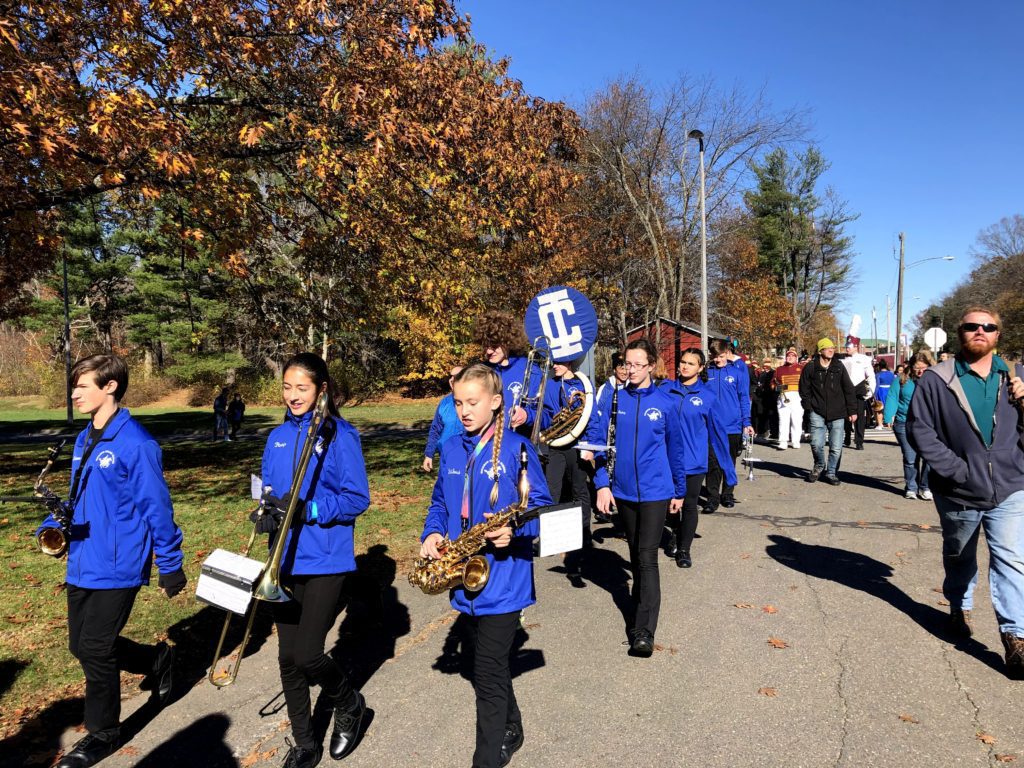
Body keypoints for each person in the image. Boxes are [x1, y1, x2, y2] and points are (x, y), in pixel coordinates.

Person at [36, 354, 185, 768]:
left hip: (119, 564)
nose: (74, 393)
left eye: (82, 386)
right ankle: (157, 659)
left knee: (97, 649)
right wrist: (54, 524)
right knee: (80, 646)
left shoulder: (137, 443)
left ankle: (103, 733)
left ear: (110, 387)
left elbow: (158, 508)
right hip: (83, 558)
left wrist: (169, 562)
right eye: (74, 386)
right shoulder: (85, 439)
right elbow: (78, 497)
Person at [420, 364, 552, 768]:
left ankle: (486, 759)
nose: (463, 411)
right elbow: (441, 503)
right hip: (467, 577)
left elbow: (542, 508)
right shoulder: (453, 446)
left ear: (496, 403)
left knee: (486, 672)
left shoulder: (518, 449)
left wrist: (515, 531)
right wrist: (432, 533)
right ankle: (512, 726)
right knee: (488, 665)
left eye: (472, 402)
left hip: (506, 579)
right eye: (458, 402)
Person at [258, 353, 371, 767]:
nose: (292, 396)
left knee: (308, 654)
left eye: (301, 388)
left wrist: (312, 509)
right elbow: (267, 489)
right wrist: (265, 511)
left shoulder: (341, 435)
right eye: (287, 388)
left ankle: (350, 703)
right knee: (287, 659)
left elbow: (357, 497)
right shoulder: (276, 438)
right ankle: (305, 743)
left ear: (322, 389)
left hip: (325, 557)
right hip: (284, 560)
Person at [908, 307, 1024, 679]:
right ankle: (959, 604)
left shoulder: (1017, 378)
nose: (980, 331)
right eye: (972, 326)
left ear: (997, 336)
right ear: (960, 333)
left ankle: (1015, 638)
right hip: (958, 489)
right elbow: (920, 430)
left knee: (1011, 560)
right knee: (960, 555)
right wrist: (957, 471)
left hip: (1010, 486)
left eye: (988, 327)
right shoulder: (936, 379)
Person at [588, 338, 686, 656]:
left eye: (637, 364)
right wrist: (602, 484)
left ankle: (643, 631)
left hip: (657, 491)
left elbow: (676, 449)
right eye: (626, 364)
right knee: (634, 555)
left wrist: (679, 490)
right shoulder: (614, 401)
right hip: (624, 491)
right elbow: (597, 442)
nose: (630, 370)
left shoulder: (667, 402)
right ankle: (640, 606)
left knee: (646, 558)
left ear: (652, 366)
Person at [670, 348, 736, 568]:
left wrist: (728, 469)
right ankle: (673, 534)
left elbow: (718, 434)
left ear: (700, 368)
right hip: (666, 460)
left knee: (689, 505)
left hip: (693, 462)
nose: (685, 366)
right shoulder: (665, 391)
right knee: (664, 505)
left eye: (691, 363)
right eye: (682, 362)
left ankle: (684, 550)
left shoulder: (707, 397)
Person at [540, 359, 594, 584]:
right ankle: (555, 538)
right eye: (554, 362)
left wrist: (590, 444)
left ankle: (583, 538)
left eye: (559, 362)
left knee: (578, 491)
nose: (555, 365)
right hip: (554, 443)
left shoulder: (584, 384)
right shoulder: (549, 384)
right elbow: (543, 414)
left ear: (570, 362)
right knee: (552, 491)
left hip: (577, 444)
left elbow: (592, 416)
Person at [798, 338, 857, 485]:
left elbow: (848, 389)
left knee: (836, 447)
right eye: (827, 348)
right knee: (816, 444)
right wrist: (809, 407)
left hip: (838, 412)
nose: (831, 350)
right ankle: (819, 465)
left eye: (832, 347)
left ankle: (831, 472)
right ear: (820, 351)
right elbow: (804, 389)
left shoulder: (839, 366)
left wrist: (852, 410)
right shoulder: (811, 367)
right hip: (817, 411)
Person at [703, 339, 752, 512]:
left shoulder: (737, 372)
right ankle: (712, 497)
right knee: (712, 462)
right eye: (715, 356)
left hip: (732, 425)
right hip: (711, 425)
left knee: (729, 461)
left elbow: (744, 398)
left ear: (728, 353)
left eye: (721, 356)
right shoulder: (706, 372)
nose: (718, 360)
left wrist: (747, 421)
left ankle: (727, 494)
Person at [475, 310, 539, 433]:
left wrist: (527, 416)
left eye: (494, 346)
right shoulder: (479, 371)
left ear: (508, 342)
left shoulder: (530, 370)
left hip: (517, 443)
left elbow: (546, 414)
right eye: (485, 346)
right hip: (483, 444)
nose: (488, 351)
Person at [883, 351, 934, 500]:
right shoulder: (902, 379)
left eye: (924, 368)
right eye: (917, 367)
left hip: (927, 424)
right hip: (904, 422)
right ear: (911, 367)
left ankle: (925, 486)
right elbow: (892, 397)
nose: (920, 371)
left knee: (929, 457)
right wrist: (888, 416)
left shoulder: (935, 380)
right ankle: (911, 487)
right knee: (910, 457)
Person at [422, 365, 465, 472]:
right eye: (450, 377)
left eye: (456, 376)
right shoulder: (444, 403)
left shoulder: (473, 402)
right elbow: (435, 430)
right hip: (445, 456)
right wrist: (429, 454)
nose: (451, 380)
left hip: (467, 457)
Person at [841, 338, 875, 450]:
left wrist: (870, 390)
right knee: (845, 414)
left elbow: (870, 375)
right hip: (845, 389)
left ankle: (859, 441)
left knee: (860, 416)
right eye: (846, 345)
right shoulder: (842, 359)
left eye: (849, 346)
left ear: (856, 347)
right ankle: (847, 434)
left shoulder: (864, 359)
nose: (847, 348)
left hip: (859, 389)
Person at [772, 347, 804, 450]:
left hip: (797, 396)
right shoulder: (779, 369)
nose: (790, 357)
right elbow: (772, 383)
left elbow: (806, 383)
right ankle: (783, 441)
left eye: (792, 356)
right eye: (788, 356)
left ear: (796, 357)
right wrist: (776, 387)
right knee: (783, 420)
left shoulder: (802, 368)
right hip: (783, 396)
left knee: (797, 420)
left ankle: (796, 440)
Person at [873, 360, 895, 429]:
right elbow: (893, 383)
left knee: (879, 408)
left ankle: (880, 424)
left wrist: (874, 395)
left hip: (881, 391)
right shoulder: (891, 374)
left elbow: (877, 385)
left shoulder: (878, 374)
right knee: (889, 407)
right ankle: (890, 423)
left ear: (879, 366)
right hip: (889, 390)